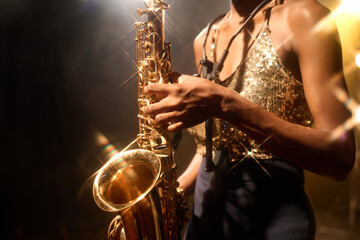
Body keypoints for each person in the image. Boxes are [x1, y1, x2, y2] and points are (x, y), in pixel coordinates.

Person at [143, 0, 355, 239]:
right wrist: (173, 193)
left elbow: (340, 157)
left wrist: (223, 103)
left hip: (275, 226)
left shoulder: (305, 16)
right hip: (204, 225)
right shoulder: (204, 38)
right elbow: (215, 147)